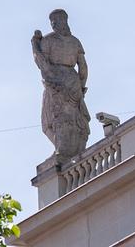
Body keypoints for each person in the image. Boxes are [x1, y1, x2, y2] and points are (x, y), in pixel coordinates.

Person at [32, 9, 90, 161]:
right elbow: (83, 68)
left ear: (56, 22)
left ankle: (62, 151)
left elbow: (42, 64)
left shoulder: (48, 40)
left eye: (54, 21)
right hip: (73, 81)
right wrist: (81, 86)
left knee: (50, 120)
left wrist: (35, 45)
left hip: (55, 81)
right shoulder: (75, 42)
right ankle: (70, 150)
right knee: (73, 118)